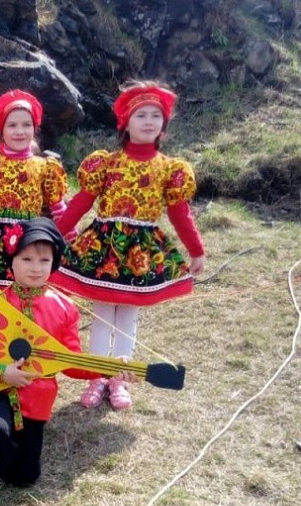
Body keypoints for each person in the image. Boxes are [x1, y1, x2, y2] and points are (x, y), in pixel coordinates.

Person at [0, 217, 137, 506]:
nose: (35, 268)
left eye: (44, 260)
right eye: (27, 259)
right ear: (12, 262)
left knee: (23, 478)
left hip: (37, 401)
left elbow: (71, 365)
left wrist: (108, 368)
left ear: (54, 263)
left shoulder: (64, 309)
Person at [51, 81, 205, 410]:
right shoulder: (106, 163)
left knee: (127, 317)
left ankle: (120, 379)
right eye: (140, 115)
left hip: (140, 253)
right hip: (104, 248)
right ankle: (96, 376)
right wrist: (53, 235)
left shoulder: (170, 168)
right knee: (103, 314)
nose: (148, 121)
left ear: (163, 124)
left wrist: (197, 251)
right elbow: (81, 202)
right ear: (125, 123)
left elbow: (180, 214)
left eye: (155, 115)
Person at [0, 90, 69, 290]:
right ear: (1, 130)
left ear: (35, 129)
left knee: (24, 293)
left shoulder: (45, 167)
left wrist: (69, 237)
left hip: (28, 241)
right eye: (12, 125)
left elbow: (58, 208)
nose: (20, 131)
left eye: (27, 125)